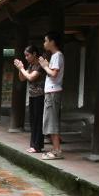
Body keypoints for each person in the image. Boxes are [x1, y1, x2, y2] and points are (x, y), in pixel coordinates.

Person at [13, 45, 45, 153]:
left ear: (34, 54)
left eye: (28, 55)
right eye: (25, 56)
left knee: (38, 121)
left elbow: (31, 77)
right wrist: (20, 69)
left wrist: (22, 68)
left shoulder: (40, 65)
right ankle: (33, 145)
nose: (26, 57)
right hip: (32, 96)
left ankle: (37, 146)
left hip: (41, 96)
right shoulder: (31, 65)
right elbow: (22, 78)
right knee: (33, 121)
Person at [38, 31, 64, 160]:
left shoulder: (57, 55)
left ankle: (57, 150)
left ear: (52, 42)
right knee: (50, 121)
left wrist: (44, 66)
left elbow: (54, 74)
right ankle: (55, 149)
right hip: (51, 92)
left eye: (46, 40)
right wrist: (47, 66)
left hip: (53, 92)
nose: (44, 43)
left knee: (52, 121)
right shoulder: (55, 56)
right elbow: (53, 72)